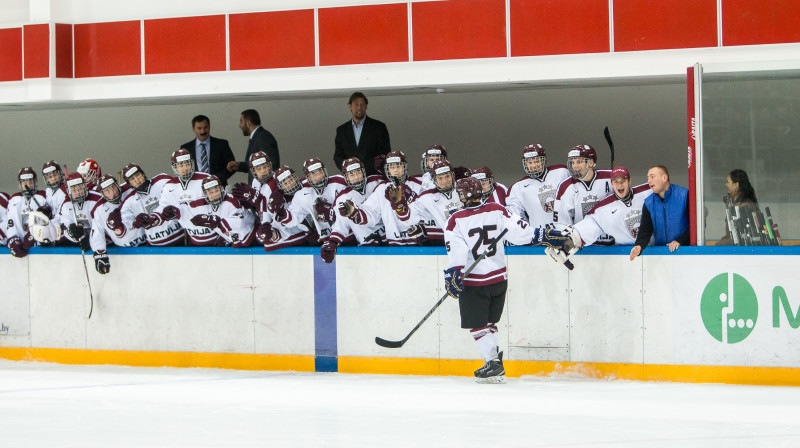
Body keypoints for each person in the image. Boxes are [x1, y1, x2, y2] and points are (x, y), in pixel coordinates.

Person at [443, 177, 577, 383]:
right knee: (490, 322)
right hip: (499, 279)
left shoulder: (455, 219)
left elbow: (457, 252)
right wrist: (544, 235)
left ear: (461, 196)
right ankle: (494, 360)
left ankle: (493, 363)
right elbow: (522, 233)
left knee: (478, 325)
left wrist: (454, 272)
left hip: (475, 281)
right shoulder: (497, 209)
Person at [338, 151, 424, 245]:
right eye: (392, 167)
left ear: (404, 167)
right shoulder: (382, 188)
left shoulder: (419, 184)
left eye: (398, 166)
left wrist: (423, 227)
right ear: (387, 169)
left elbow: (428, 211)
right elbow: (370, 212)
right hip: (394, 244)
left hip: (420, 243)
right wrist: (354, 213)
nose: (395, 170)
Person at [568, 166, 652, 247]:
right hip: (625, 254)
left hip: (654, 250)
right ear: (611, 183)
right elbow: (591, 223)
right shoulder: (604, 208)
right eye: (615, 181)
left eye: (623, 180)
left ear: (629, 181)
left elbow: (662, 188)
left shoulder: (646, 192)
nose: (620, 185)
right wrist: (572, 238)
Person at [320, 158, 385, 263]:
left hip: (390, 243)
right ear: (346, 177)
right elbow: (340, 227)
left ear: (364, 171)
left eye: (358, 172)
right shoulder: (342, 199)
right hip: (367, 247)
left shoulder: (377, 181)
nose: (356, 177)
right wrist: (332, 243)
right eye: (351, 174)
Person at [553, 145, 613, 244]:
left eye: (579, 162)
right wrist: (571, 241)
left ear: (591, 162)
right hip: (582, 246)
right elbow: (561, 222)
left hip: (612, 244)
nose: (575, 166)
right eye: (573, 162)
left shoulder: (610, 178)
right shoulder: (565, 187)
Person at [89, 174, 147, 274]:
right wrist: (100, 255)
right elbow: (97, 233)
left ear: (117, 185)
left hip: (148, 245)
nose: (112, 193)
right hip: (125, 253)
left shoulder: (130, 190)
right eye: (107, 191)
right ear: (102, 193)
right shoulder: (99, 209)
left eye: (113, 187)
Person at [630, 165, 690, 260]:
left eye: (652, 176)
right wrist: (639, 246)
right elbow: (645, 231)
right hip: (662, 255)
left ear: (664, 178)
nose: (649, 181)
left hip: (686, 252)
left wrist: (680, 241)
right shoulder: (648, 203)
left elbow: (696, 226)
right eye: (648, 178)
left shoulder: (685, 196)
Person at [118, 162, 185, 247]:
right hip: (155, 247)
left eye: (138, 175)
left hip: (181, 239)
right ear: (129, 184)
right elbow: (125, 225)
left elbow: (181, 192)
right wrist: (135, 223)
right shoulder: (129, 202)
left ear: (143, 174)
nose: (137, 180)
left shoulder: (162, 180)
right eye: (132, 179)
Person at [395, 160, 462, 243]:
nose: (445, 181)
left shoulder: (464, 189)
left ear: (452, 175)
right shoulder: (427, 198)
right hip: (452, 243)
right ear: (434, 180)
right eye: (440, 178)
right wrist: (400, 205)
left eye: (447, 176)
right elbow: (409, 219)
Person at [506, 144, 571, 228]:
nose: (533, 165)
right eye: (530, 162)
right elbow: (515, 217)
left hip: (566, 233)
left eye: (537, 161)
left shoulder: (562, 172)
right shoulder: (517, 188)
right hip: (540, 237)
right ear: (525, 164)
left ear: (543, 160)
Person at [186, 175, 256, 247]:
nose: (215, 194)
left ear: (221, 189)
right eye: (211, 192)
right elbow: (190, 206)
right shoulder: (206, 204)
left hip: (251, 236)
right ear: (206, 194)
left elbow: (239, 222)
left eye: (216, 190)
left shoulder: (232, 201)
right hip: (235, 239)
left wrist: (216, 222)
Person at [333, 92, 391, 176]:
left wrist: (365, 166)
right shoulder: (342, 130)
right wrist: (347, 166)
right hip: (351, 178)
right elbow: (337, 156)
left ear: (366, 106)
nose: (359, 108)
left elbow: (384, 153)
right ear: (350, 106)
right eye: (356, 104)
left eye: (362, 104)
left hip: (373, 177)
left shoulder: (379, 127)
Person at [180, 115, 237, 187]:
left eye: (205, 127)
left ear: (209, 127)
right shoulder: (186, 148)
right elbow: (183, 170)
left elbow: (232, 166)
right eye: (199, 128)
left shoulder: (221, 144)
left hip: (218, 187)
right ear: (193, 129)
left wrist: (216, 179)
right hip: (195, 188)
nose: (203, 131)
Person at [5, 167, 47, 257]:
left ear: (35, 182)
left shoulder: (43, 196)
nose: (27, 184)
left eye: (30, 182)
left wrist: (34, 236)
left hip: (40, 247)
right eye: (24, 182)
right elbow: (10, 222)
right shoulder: (14, 199)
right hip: (21, 245)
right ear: (20, 184)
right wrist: (13, 240)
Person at [230, 109, 280, 184]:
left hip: (264, 188)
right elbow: (255, 165)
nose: (240, 126)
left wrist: (266, 188)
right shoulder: (257, 137)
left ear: (248, 122)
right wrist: (239, 166)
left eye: (241, 121)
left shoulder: (263, 137)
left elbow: (269, 164)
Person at [58, 172, 104, 252]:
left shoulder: (98, 199)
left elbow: (104, 225)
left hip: (102, 243)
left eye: (80, 188)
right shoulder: (66, 205)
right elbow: (65, 226)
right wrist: (72, 233)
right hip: (81, 243)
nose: (78, 192)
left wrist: (91, 239)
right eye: (74, 190)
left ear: (84, 186)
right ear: (68, 191)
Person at [718, 169, 759, 246]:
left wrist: (722, 243)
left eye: (728, 182)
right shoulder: (736, 203)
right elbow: (732, 234)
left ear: (736, 185)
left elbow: (743, 237)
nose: (726, 184)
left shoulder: (745, 206)